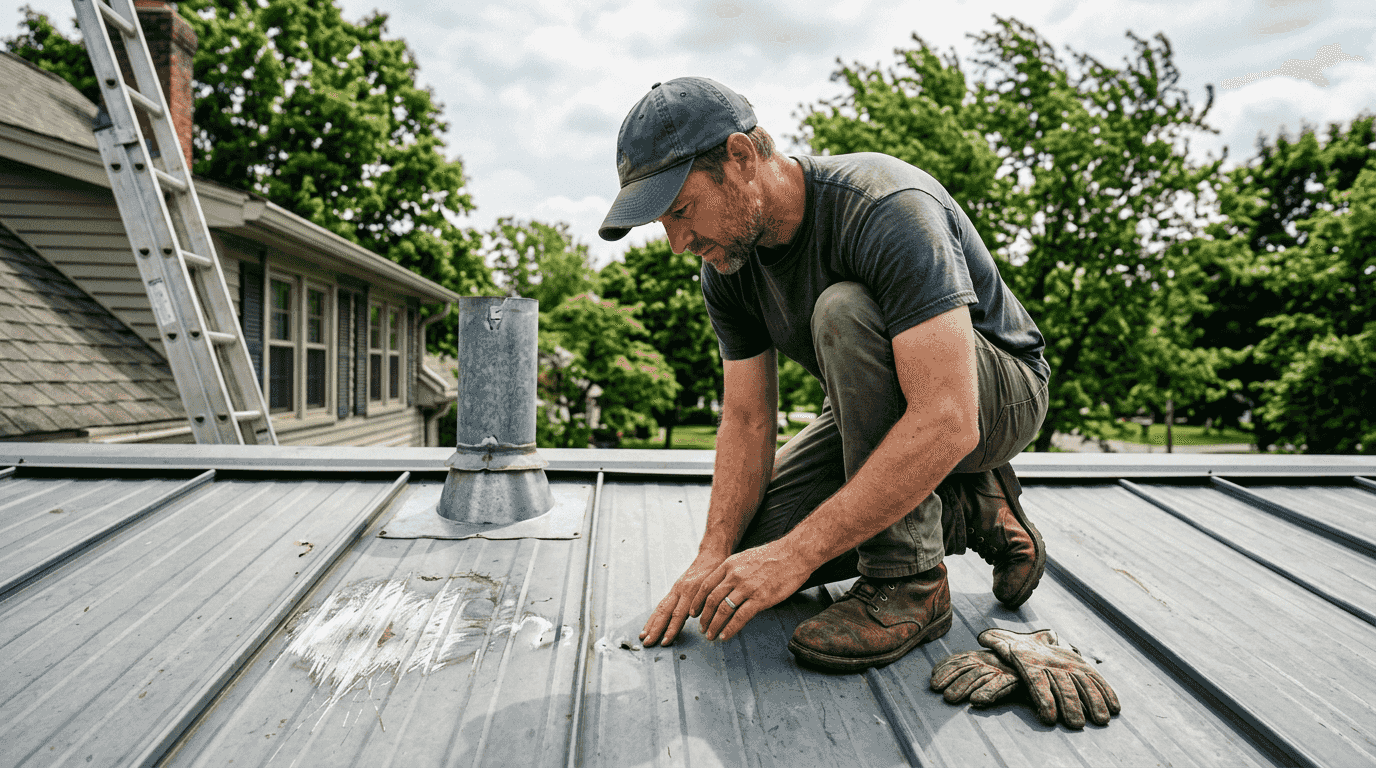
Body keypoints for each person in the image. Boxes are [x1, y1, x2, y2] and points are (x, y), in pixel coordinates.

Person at [598, 77, 1050, 672]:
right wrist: (714, 552)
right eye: (663, 223)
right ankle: (969, 502)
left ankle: (909, 584)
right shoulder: (727, 264)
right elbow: (747, 418)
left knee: (843, 311)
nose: (679, 242)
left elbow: (948, 416)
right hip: (891, 409)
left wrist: (802, 553)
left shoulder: (886, 206)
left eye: (681, 211)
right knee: (749, 561)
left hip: (992, 394)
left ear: (739, 158)